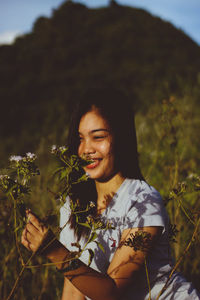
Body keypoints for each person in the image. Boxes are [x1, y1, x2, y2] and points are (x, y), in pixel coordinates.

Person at [21, 88, 200, 300]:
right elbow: (73, 290)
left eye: (98, 137)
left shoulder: (144, 202)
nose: (86, 149)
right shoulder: (73, 204)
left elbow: (112, 292)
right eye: (80, 139)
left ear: (121, 138)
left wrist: (53, 250)